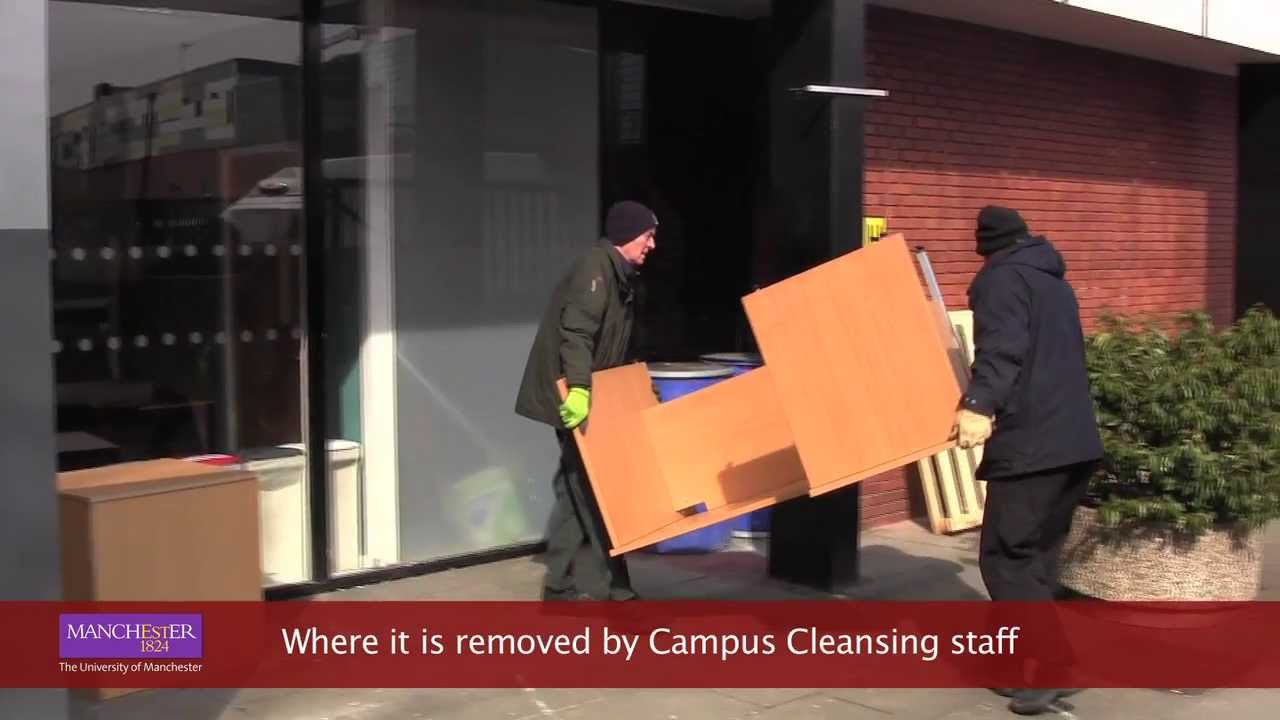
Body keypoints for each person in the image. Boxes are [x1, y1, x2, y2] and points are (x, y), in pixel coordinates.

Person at [952, 206, 1104, 715]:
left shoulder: (1000, 282)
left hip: (1032, 445)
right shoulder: (1055, 284)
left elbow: (1002, 349)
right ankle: (1023, 667)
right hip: (1073, 442)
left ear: (987, 246)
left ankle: (1055, 665)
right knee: (1036, 559)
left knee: (1006, 558)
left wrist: (978, 405)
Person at [515, 200, 658, 601]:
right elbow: (576, 335)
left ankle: (559, 585)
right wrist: (579, 389)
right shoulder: (595, 271)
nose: (652, 245)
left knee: (573, 488)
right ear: (628, 235)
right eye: (647, 236)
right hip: (571, 397)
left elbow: (612, 346)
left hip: (589, 394)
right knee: (594, 491)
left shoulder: (619, 275)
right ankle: (615, 588)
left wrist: (633, 389)